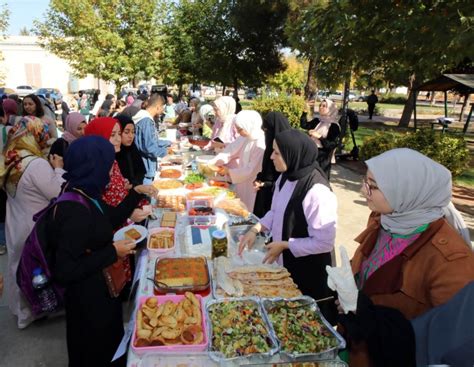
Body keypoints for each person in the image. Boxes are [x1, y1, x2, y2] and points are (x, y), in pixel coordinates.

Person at [347, 148, 474, 321]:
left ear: (408, 191)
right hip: (355, 341)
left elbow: (449, 335)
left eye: (373, 186)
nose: (363, 191)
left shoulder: (451, 261)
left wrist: (370, 316)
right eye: (365, 182)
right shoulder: (383, 219)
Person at [47, 136, 138, 367]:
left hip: (102, 293)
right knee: (97, 354)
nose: (109, 175)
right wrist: (112, 252)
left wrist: (136, 192)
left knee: (110, 347)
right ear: (92, 167)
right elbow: (65, 270)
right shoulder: (74, 209)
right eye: (106, 168)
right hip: (89, 304)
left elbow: (110, 217)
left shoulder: (85, 191)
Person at [239, 129, 337, 322]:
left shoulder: (318, 192)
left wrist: (286, 245)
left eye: (277, 152)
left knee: (302, 320)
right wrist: (255, 229)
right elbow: (276, 212)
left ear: (293, 155)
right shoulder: (285, 176)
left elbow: (324, 243)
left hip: (308, 270)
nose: (271, 157)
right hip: (285, 261)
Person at [0, 116, 65, 329]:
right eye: (42, 135)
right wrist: (57, 168)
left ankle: (22, 312)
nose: (45, 139)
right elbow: (57, 192)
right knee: (35, 269)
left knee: (19, 266)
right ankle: (36, 310)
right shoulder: (36, 164)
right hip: (34, 223)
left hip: (15, 221)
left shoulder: (12, 157)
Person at [210, 110, 266, 212]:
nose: (238, 132)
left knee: (249, 208)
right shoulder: (246, 136)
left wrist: (228, 171)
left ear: (249, 126)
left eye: (240, 129)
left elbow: (251, 170)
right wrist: (212, 163)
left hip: (251, 183)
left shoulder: (260, 143)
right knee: (239, 206)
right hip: (240, 180)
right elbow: (230, 151)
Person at [253, 111, 291, 218]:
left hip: (275, 196)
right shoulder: (270, 148)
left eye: (268, 130)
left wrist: (266, 184)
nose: (266, 133)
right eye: (264, 130)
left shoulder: (286, 151)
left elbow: (284, 180)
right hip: (264, 192)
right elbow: (266, 169)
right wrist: (259, 179)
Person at [133, 94, 171, 184]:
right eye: (163, 107)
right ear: (158, 107)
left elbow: (151, 140)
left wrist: (168, 143)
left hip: (144, 165)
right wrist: (166, 152)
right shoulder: (146, 121)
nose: (163, 110)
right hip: (145, 168)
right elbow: (149, 147)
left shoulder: (144, 117)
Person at [300, 98, 340, 178]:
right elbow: (304, 125)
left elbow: (331, 145)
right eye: (320, 105)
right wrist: (305, 111)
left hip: (322, 158)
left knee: (319, 180)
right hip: (311, 153)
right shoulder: (317, 120)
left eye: (324, 106)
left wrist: (319, 137)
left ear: (330, 109)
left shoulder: (334, 126)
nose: (321, 107)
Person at [115, 115, 147, 187]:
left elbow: (141, 172)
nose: (131, 136)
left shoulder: (133, 149)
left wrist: (134, 185)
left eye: (133, 132)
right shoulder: (112, 154)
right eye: (126, 132)